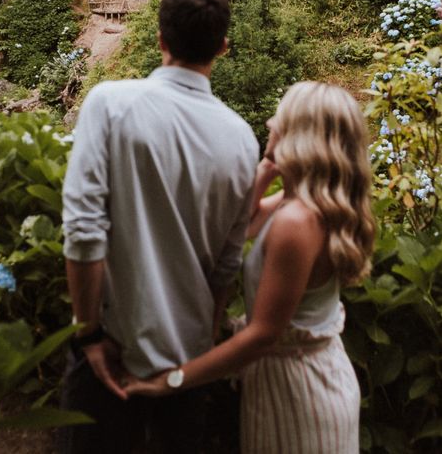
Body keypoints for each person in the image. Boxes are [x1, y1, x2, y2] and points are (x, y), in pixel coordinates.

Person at [60, 0, 259, 454]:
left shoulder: (110, 103)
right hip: (187, 364)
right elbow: (225, 269)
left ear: (160, 39)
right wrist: (198, 350)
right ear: (224, 47)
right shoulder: (242, 140)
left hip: (109, 347)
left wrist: (88, 335)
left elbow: (85, 232)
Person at [125, 81, 376, 454]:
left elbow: (262, 334)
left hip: (300, 393)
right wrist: (266, 169)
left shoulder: (297, 222)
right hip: (296, 380)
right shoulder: (299, 204)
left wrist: (173, 381)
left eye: (282, 117)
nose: (271, 122)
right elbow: (242, 225)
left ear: (300, 136)